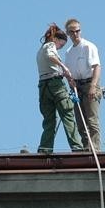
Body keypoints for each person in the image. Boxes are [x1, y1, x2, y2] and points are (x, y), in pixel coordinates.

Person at [36, 23, 83, 153]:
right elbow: (51, 55)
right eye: (61, 45)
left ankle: (45, 149)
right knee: (67, 114)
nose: (60, 48)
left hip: (43, 87)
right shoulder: (50, 45)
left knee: (49, 121)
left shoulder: (40, 50)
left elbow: (49, 67)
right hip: (55, 85)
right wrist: (64, 67)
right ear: (55, 39)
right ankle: (77, 148)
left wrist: (66, 76)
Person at [64, 18, 103, 152]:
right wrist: (70, 82)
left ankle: (95, 149)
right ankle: (87, 147)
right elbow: (68, 73)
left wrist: (93, 86)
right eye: (72, 32)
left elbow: (97, 67)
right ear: (68, 33)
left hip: (89, 83)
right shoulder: (69, 52)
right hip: (77, 87)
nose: (75, 34)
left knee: (92, 119)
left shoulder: (88, 46)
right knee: (80, 121)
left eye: (77, 31)